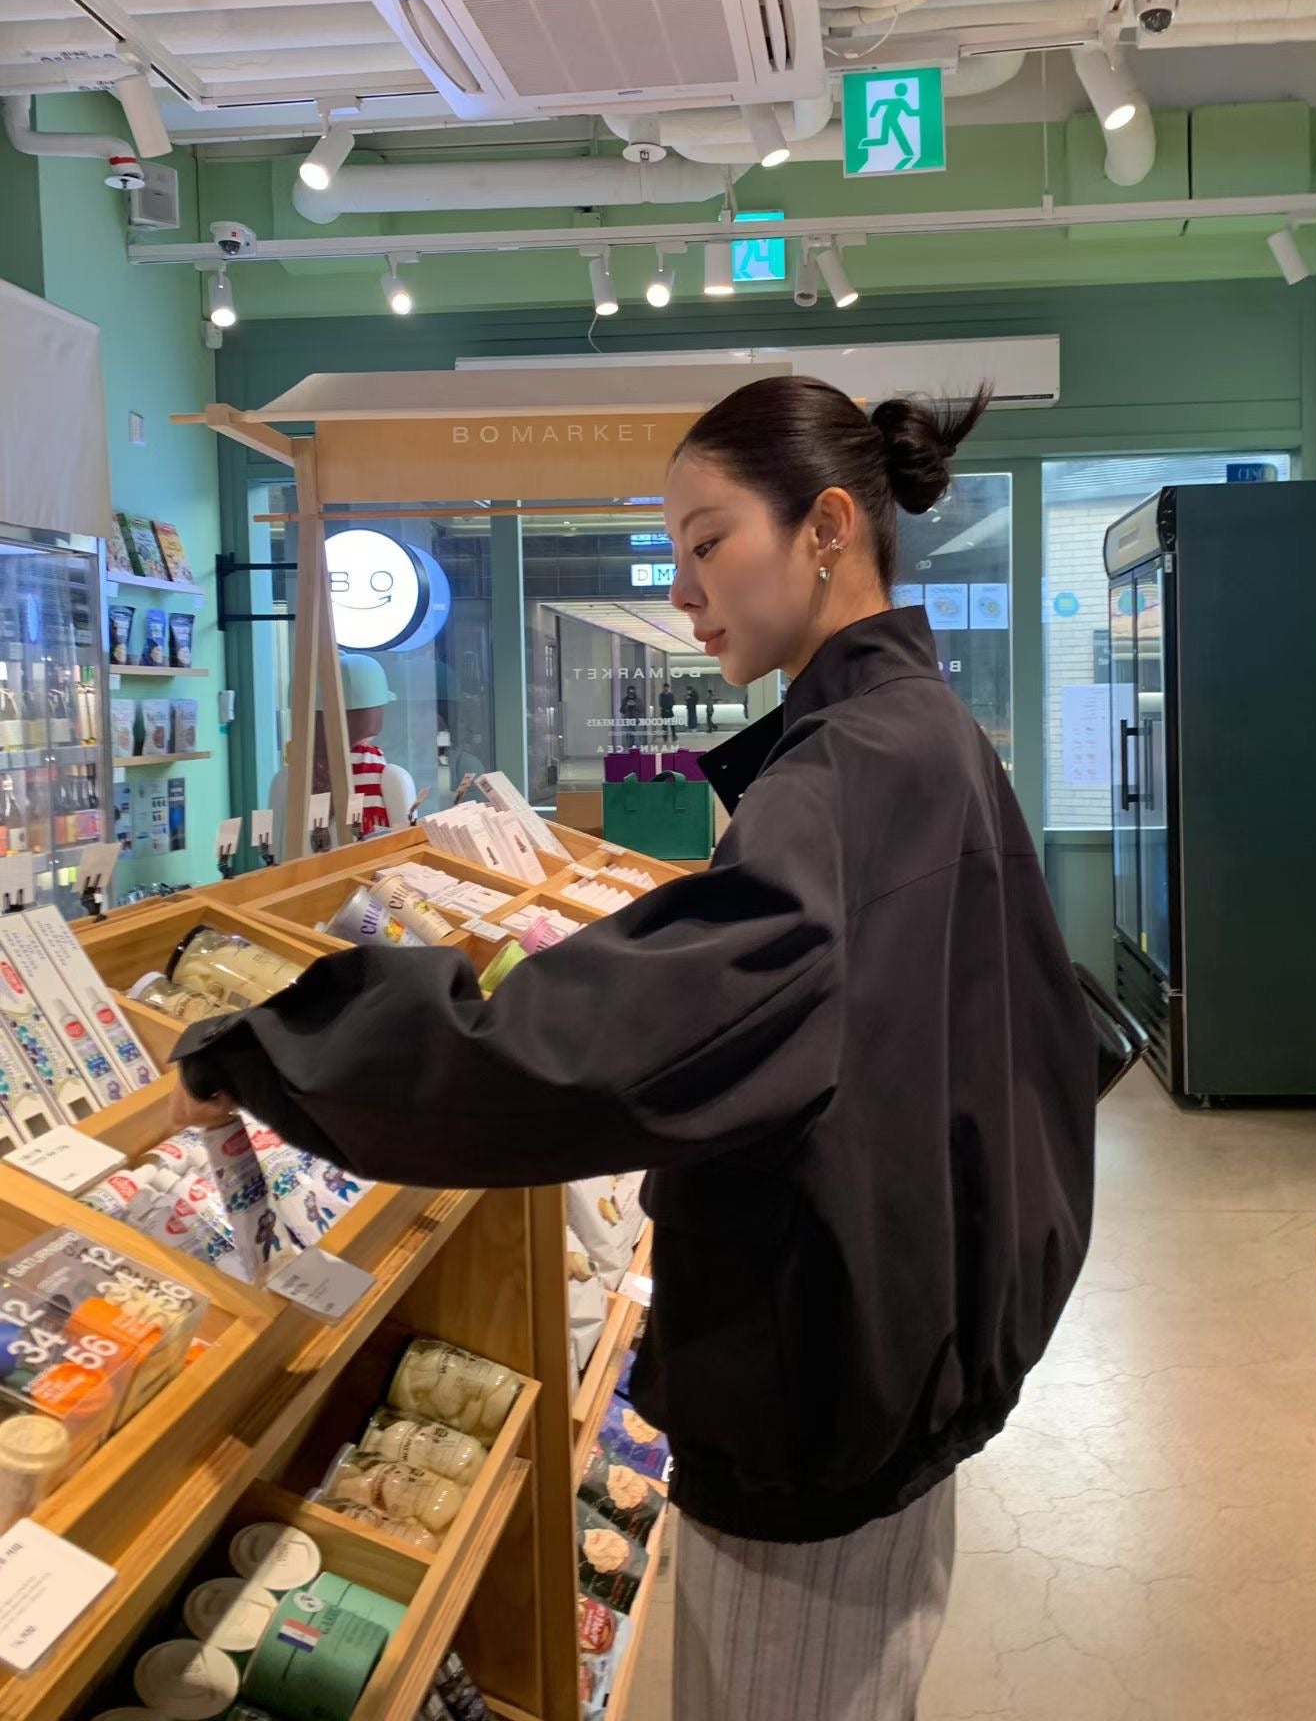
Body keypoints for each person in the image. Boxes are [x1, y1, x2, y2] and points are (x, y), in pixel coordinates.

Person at [173, 375, 1098, 1721]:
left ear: (827, 528)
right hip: (895, 1365)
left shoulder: (846, 771)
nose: (682, 587)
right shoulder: (922, 734)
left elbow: (593, 1050)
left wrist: (279, 1047)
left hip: (819, 1401)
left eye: (708, 540)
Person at [266, 653, 416, 857]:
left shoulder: (285, 780)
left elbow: (273, 854)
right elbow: (407, 850)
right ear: (374, 715)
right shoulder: (392, 778)